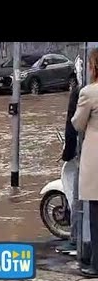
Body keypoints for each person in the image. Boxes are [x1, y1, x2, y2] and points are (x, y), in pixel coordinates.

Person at [71, 47, 98, 277]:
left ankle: (97, 264)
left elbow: (78, 124)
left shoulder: (89, 92)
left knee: (96, 214)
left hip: (95, 160)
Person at [55, 82, 81, 256]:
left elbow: (72, 126)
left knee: (77, 198)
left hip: (84, 157)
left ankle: (76, 241)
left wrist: (67, 154)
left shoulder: (82, 92)